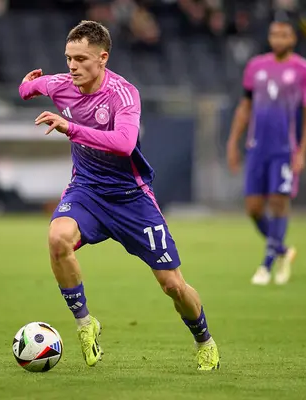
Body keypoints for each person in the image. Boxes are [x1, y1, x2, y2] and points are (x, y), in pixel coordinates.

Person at [18, 20, 219, 370]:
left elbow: (125, 144)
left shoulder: (123, 94)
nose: (72, 66)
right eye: (68, 58)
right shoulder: (62, 85)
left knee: (173, 285)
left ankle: (204, 340)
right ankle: (85, 324)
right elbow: (30, 89)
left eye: (81, 59)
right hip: (87, 192)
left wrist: (71, 128)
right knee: (57, 238)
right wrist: (26, 85)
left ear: (103, 58)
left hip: (132, 199)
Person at [226, 17, 306, 286]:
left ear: (293, 38)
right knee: (254, 209)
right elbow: (245, 107)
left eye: (284, 35)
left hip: (284, 150)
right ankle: (283, 250)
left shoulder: (304, 70)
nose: (279, 39)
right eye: (274, 34)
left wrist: (302, 150)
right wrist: (233, 142)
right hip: (257, 149)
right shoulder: (256, 66)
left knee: (279, 203)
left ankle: (266, 265)